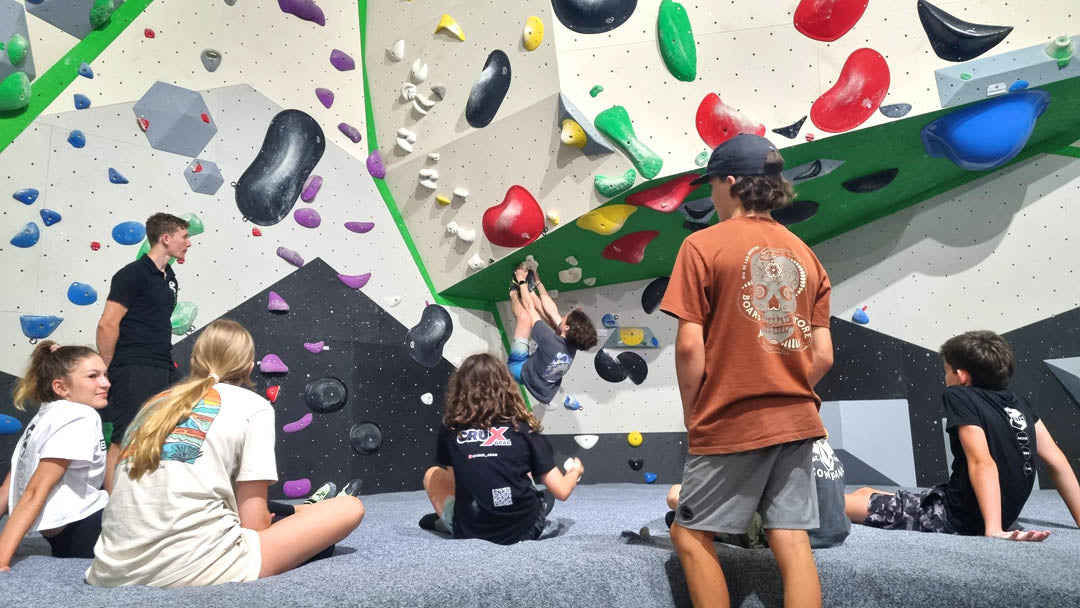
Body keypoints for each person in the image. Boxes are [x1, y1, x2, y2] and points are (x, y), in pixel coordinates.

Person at [660, 134, 834, 608]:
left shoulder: (701, 246)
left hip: (732, 418)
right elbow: (823, 356)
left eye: (711, 184)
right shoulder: (807, 255)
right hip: (798, 420)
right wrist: (786, 387)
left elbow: (690, 345)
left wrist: (695, 411)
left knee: (691, 536)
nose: (709, 195)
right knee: (791, 539)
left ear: (732, 182)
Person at [86, 319, 365, 587]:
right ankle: (310, 514)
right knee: (349, 508)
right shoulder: (253, 406)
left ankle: (305, 510)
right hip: (193, 565)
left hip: (111, 567)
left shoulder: (155, 404)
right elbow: (254, 525)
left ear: (195, 359)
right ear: (247, 364)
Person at [845, 330, 1080, 541]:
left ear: (961, 376)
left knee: (837, 504)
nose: (945, 378)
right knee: (864, 492)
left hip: (956, 517)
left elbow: (982, 461)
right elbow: (1057, 461)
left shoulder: (958, 396)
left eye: (946, 371)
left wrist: (994, 529)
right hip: (970, 503)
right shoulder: (1018, 403)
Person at [420, 353, 583, 545]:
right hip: (527, 529)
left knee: (432, 474)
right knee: (523, 466)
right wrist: (575, 471)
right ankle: (530, 502)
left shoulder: (451, 428)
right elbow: (562, 491)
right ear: (506, 386)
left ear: (460, 388)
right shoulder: (523, 427)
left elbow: (459, 484)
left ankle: (448, 521)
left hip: (472, 530)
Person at [97, 212, 190, 492]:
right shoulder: (132, 274)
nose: (188, 242)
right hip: (132, 363)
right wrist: (110, 367)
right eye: (184, 236)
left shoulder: (170, 278)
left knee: (163, 431)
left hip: (162, 364)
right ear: (166, 238)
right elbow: (107, 324)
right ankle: (112, 506)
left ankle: (146, 496)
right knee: (125, 436)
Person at [0, 342, 110, 569]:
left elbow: (9, 486)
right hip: (87, 530)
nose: (105, 383)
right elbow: (36, 489)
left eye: (105, 375)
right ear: (61, 388)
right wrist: (2, 558)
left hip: (65, 536)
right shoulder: (80, 416)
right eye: (93, 376)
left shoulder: (45, 415)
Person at [662, 438, 850, 550]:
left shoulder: (760, 428)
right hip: (836, 528)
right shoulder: (807, 424)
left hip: (803, 535)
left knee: (678, 507)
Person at [506, 264, 598, 406]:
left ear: (567, 327)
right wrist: (538, 282)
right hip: (539, 378)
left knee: (525, 316)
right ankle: (531, 291)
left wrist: (521, 280)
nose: (563, 316)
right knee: (549, 317)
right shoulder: (573, 341)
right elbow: (552, 311)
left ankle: (513, 293)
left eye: (565, 317)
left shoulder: (551, 342)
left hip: (520, 369)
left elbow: (530, 309)